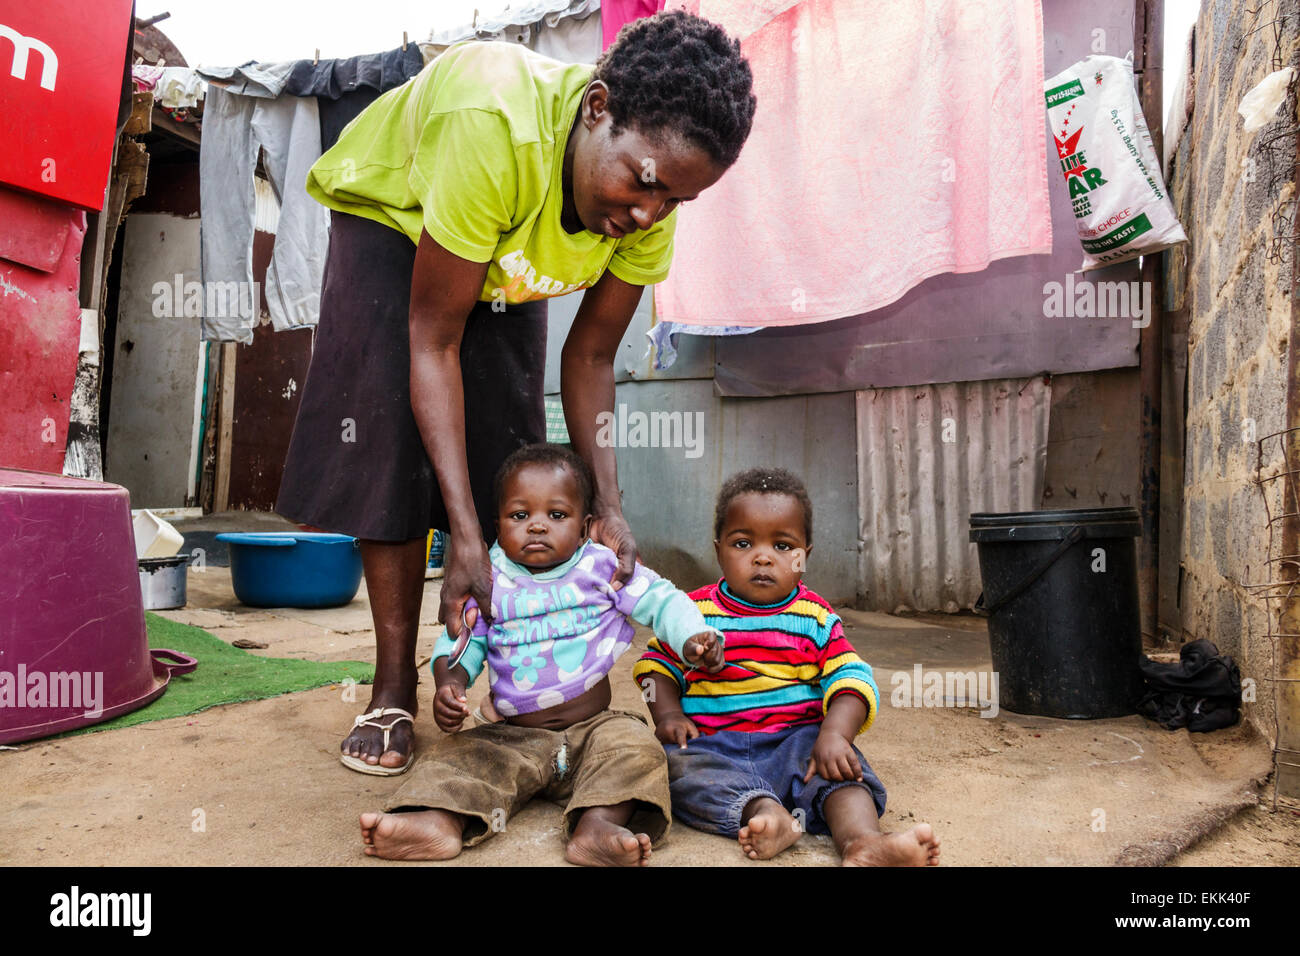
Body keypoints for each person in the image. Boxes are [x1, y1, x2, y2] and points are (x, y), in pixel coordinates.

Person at [274, 11, 756, 774]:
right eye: (644, 185)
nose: (648, 215)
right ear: (597, 107)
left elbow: (591, 356)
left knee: (514, 460)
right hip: (395, 213)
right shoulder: (492, 122)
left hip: (506, 243)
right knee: (391, 440)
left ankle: (506, 665)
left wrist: (611, 508)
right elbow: (434, 340)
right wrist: (464, 541)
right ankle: (394, 682)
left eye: (674, 202)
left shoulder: (651, 206)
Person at [359, 444, 725, 864]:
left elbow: (661, 599)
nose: (536, 526)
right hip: (510, 736)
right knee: (457, 759)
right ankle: (437, 822)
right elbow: (462, 638)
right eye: (519, 516)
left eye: (556, 515)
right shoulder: (490, 578)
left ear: (584, 527)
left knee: (637, 749)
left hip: (595, 729)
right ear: (497, 526)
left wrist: (692, 635)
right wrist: (449, 682)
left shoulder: (601, 567)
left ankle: (597, 825)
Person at [633, 468, 942, 866]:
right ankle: (766, 814)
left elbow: (851, 678)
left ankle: (862, 842)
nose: (763, 557)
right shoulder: (692, 614)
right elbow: (655, 667)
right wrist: (668, 714)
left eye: (782, 546)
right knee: (672, 767)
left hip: (796, 745)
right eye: (743, 543)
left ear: (804, 555)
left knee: (843, 772)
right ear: (719, 550)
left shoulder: (815, 618)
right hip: (713, 747)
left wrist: (835, 735)